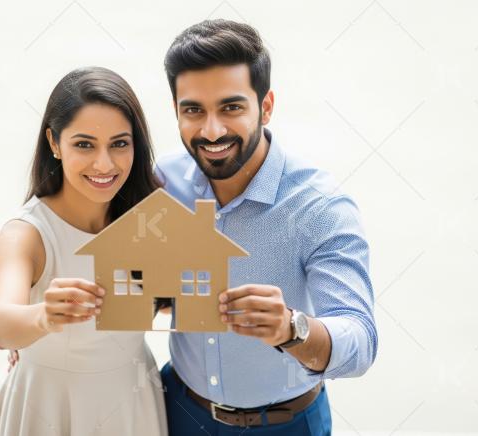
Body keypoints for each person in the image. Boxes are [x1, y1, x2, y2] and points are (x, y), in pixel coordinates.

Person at [156, 19, 378, 435]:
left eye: (231, 107)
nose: (212, 130)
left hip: (287, 424)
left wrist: (292, 328)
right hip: (177, 412)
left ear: (267, 105)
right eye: (193, 111)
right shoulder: (161, 184)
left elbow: (361, 340)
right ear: (176, 112)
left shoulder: (319, 205)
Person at [0, 66, 167, 436]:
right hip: (47, 405)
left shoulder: (148, 218)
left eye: (119, 143)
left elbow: (167, 298)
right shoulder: (26, 234)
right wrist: (44, 317)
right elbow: (1, 326)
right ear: (54, 143)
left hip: (131, 400)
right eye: (84, 144)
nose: (104, 164)